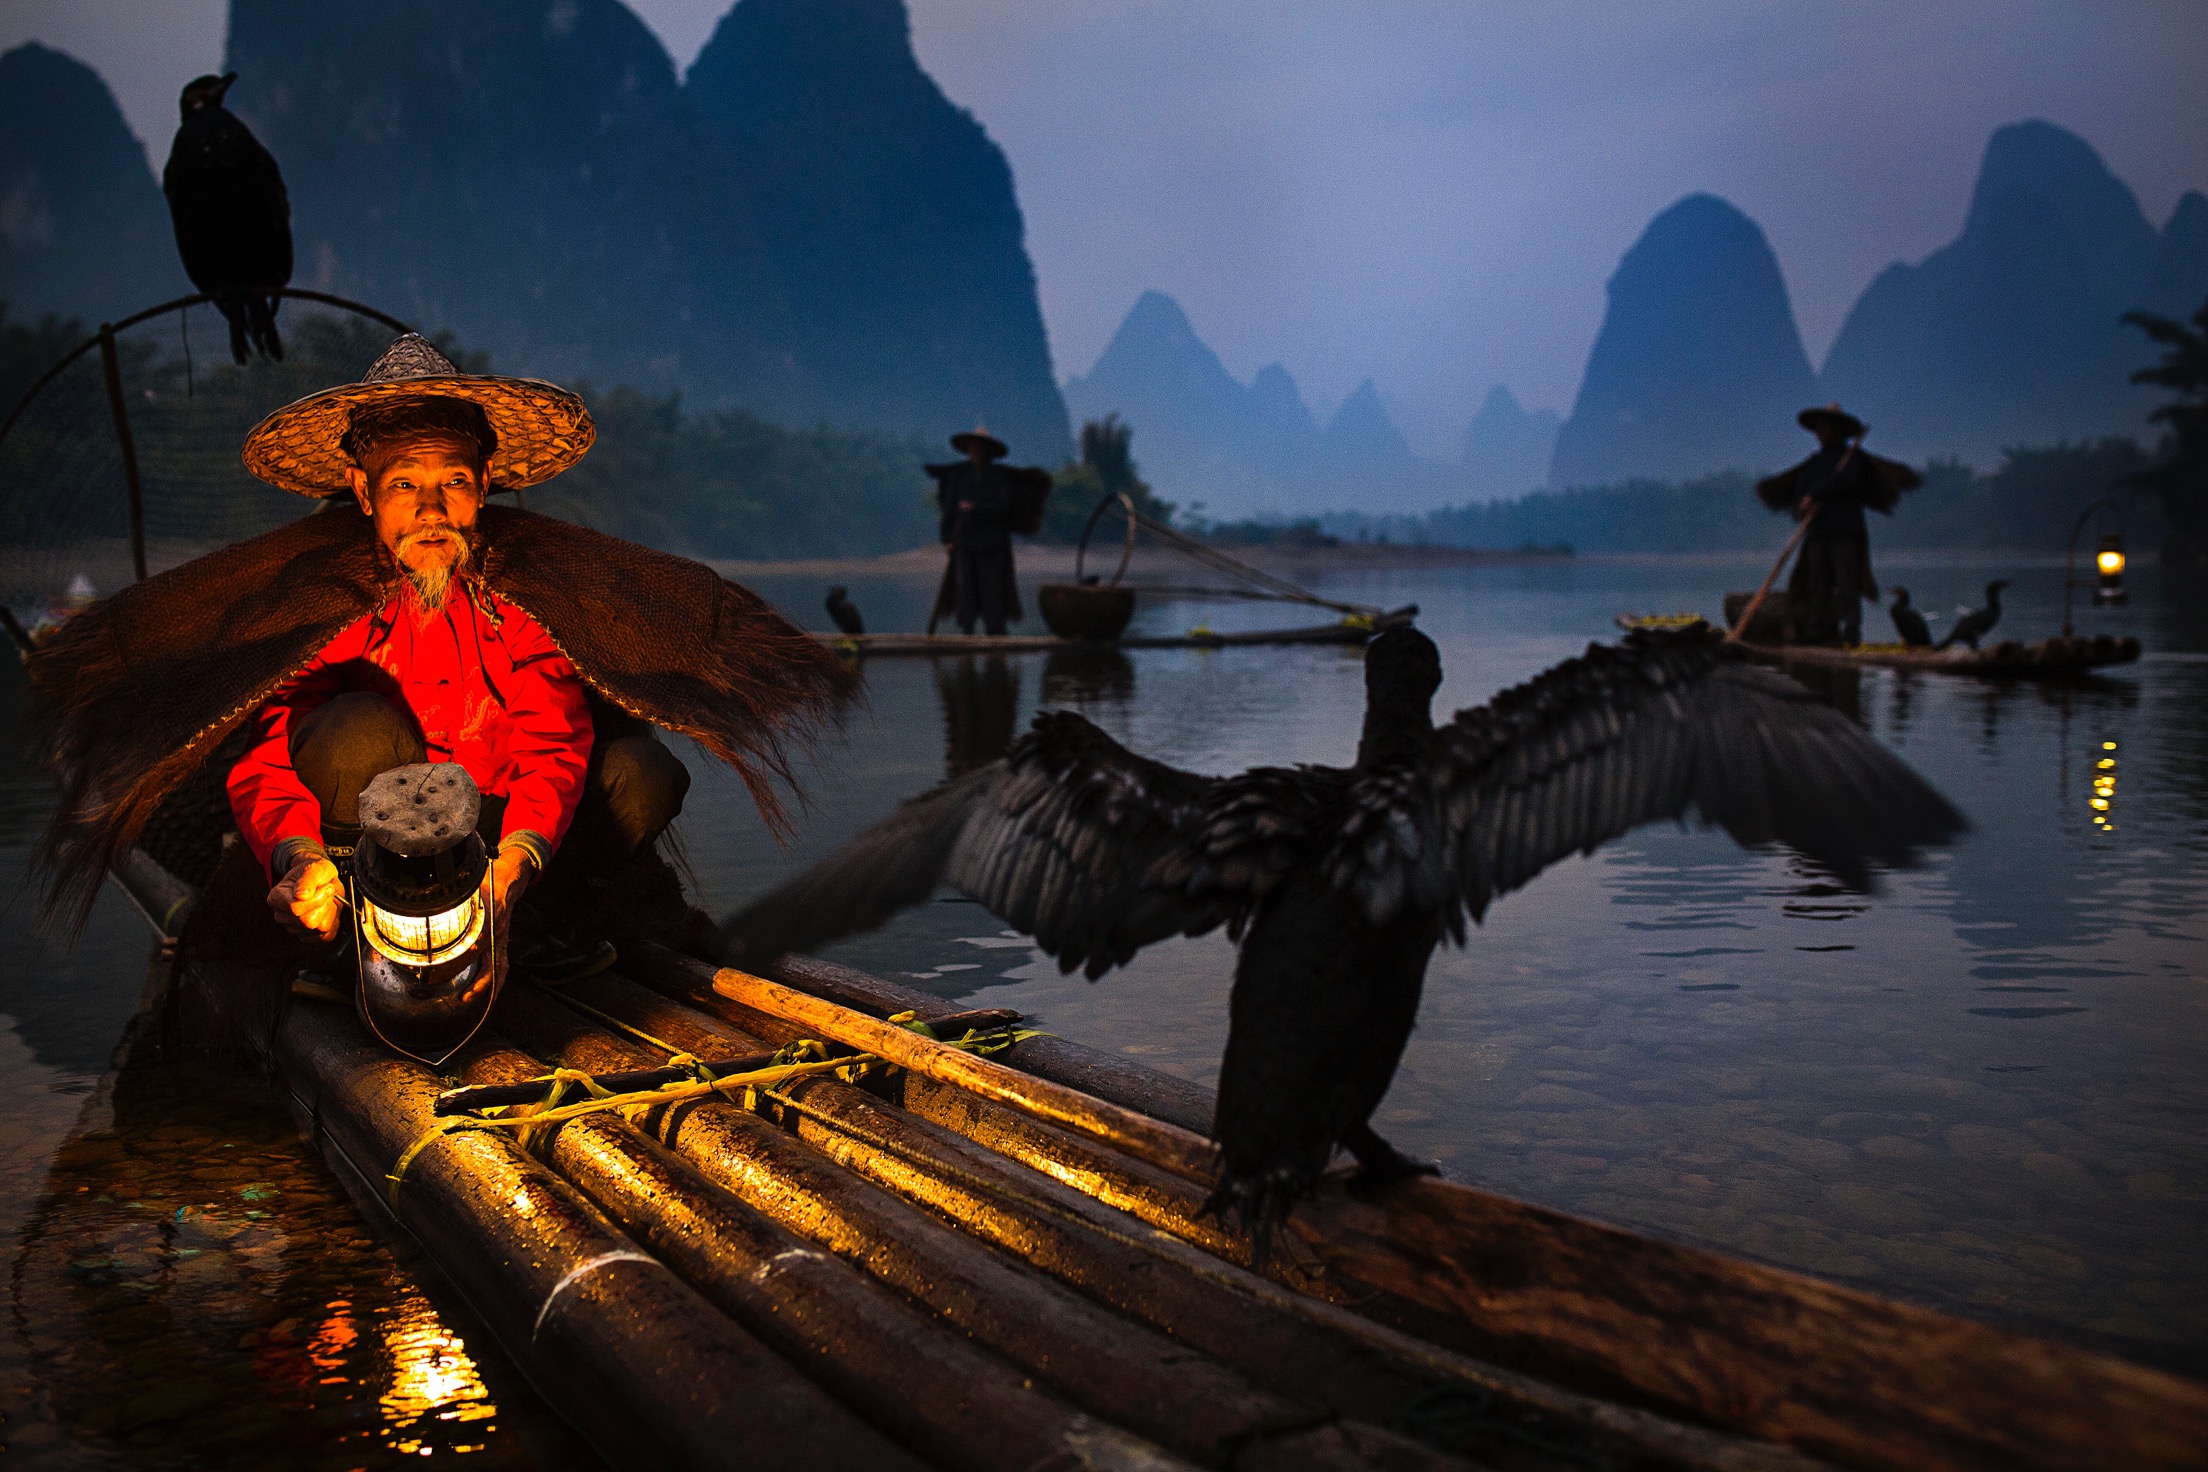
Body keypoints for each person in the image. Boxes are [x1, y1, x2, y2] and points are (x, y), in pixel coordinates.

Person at [28, 334, 852, 988]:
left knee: (644, 775)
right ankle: (351, 945)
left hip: (499, 852)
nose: (431, 511)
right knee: (354, 731)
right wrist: (299, 858)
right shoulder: (328, 605)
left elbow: (557, 741)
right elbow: (266, 758)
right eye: (403, 487)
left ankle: (535, 933)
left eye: (452, 482)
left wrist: (518, 863)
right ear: (362, 493)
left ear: (485, 484)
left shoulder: (522, 597)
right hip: (366, 863)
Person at [1755, 404, 1921, 645]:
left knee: (1847, 583)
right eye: (1818, 427)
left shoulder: (1851, 459)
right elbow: (1801, 493)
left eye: (1824, 427)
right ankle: (1817, 631)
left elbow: (1847, 481)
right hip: (1818, 532)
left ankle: (1851, 634)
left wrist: (1818, 493)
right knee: (1817, 583)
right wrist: (1805, 505)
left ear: (1836, 430)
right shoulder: (1814, 463)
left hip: (1845, 531)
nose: (1819, 432)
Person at [925, 429, 1050, 636]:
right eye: (971, 448)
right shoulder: (958, 476)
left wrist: (974, 508)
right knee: (965, 594)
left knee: (992, 593)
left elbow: (1003, 506)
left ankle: (996, 639)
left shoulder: (999, 477)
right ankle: (968, 636)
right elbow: (949, 509)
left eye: (979, 448)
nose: (974, 452)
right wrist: (947, 538)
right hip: (964, 543)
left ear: (987, 451)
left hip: (992, 545)